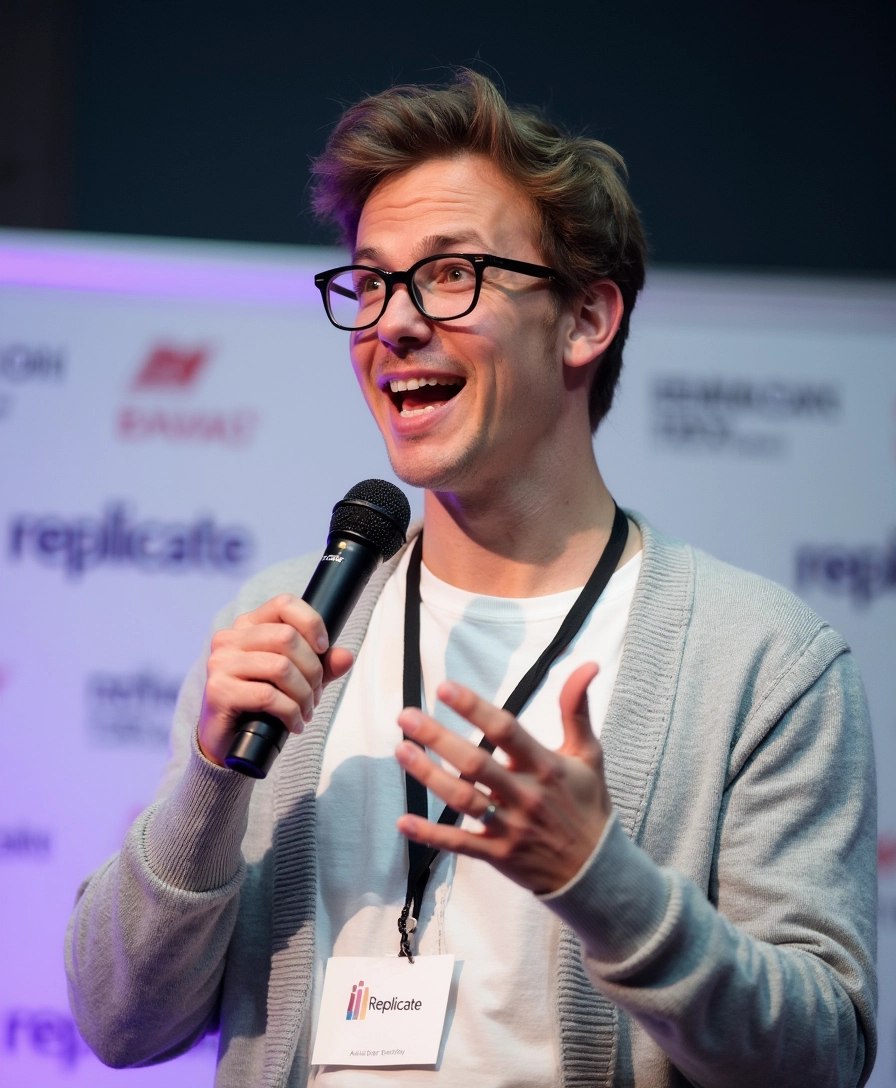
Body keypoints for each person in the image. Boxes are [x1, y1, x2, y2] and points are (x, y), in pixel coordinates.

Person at [66, 71, 877, 1088]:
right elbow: (116, 1019)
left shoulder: (760, 660)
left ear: (585, 318)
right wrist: (209, 781)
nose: (391, 324)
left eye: (448, 275)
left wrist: (601, 880)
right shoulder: (284, 626)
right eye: (368, 282)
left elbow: (820, 1055)